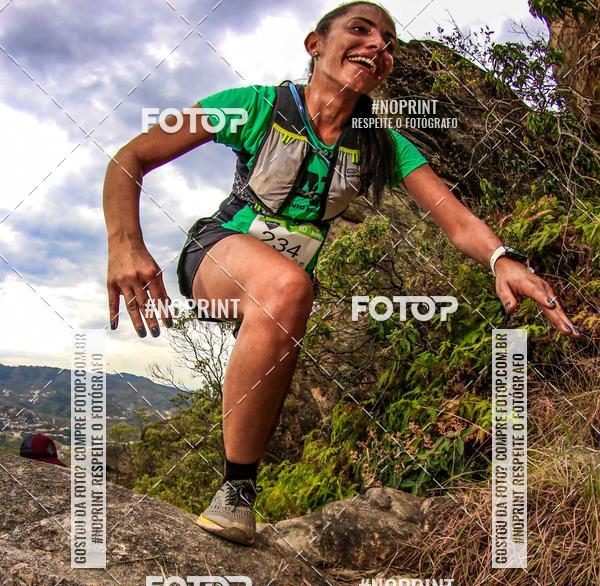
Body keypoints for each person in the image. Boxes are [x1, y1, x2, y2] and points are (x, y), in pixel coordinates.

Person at [103, 1, 582, 547]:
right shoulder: (251, 106)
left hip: (281, 286)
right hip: (216, 255)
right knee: (288, 286)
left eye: (389, 42)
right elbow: (130, 156)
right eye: (359, 30)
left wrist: (503, 258)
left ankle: (238, 494)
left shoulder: (382, 144)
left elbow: (455, 219)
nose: (378, 45)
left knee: (288, 296)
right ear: (315, 45)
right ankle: (235, 490)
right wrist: (126, 246)